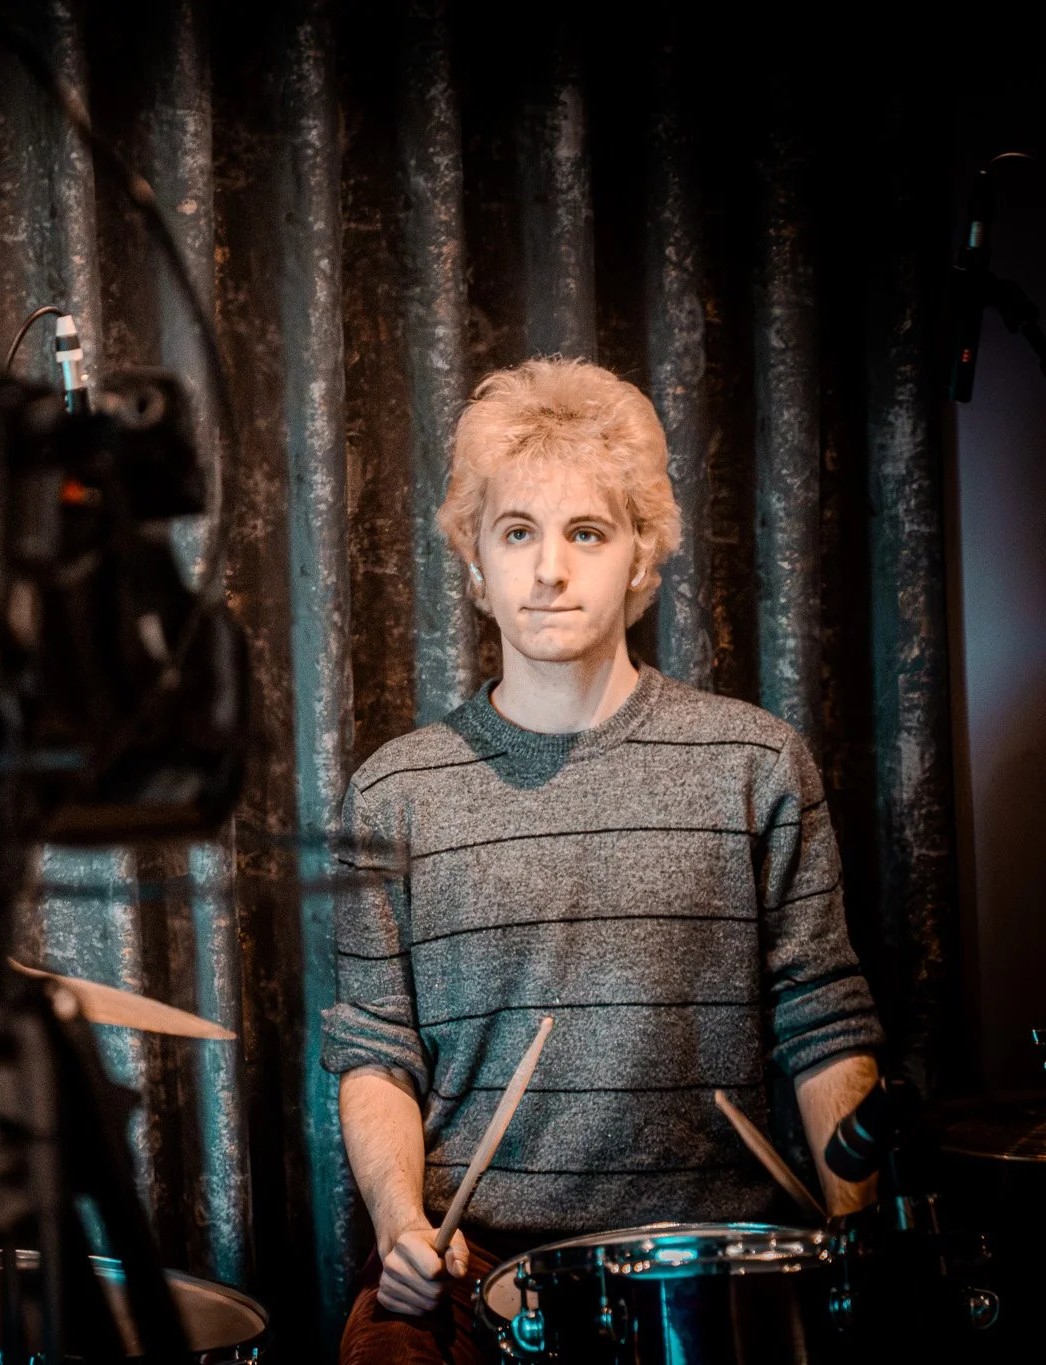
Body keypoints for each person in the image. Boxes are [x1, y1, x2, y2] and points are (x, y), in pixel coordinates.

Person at [323, 358, 885, 1364]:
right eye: (516, 534)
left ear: (642, 560)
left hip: (716, 1258)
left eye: (585, 532)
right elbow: (376, 1053)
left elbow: (821, 1017)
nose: (548, 571)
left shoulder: (753, 764)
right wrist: (399, 1226)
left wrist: (858, 1243)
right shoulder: (391, 793)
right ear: (472, 568)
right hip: (472, 1261)